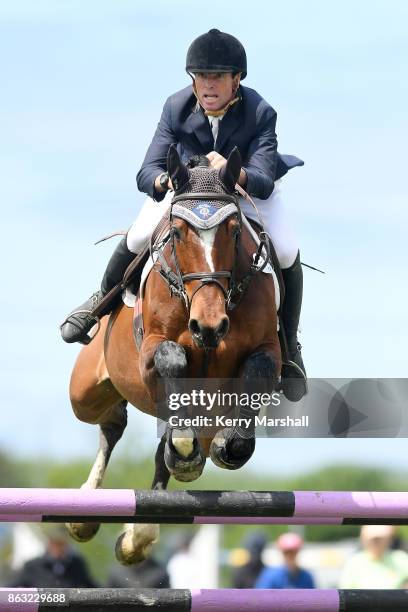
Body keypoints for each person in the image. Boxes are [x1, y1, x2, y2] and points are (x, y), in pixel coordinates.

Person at [60, 28, 306, 381]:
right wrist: (165, 181)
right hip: (190, 191)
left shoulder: (260, 112)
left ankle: (290, 344)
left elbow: (264, 178)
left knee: (285, 249)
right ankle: (99, 300)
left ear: (236, 80)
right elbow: (147, 170)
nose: (208, 85)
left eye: (218, 76)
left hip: (246, 190)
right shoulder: (176, 107)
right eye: (201, 76)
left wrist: (237, 176)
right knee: (139, 235)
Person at [9, 525, 97, 588]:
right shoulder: (33, 566)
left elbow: (91, 586)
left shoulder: (77, 565)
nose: (60, 547)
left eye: (62, 543)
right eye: (57, 543)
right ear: (50, 542)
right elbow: (13, 587)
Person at [339, 524, 408, 589]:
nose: (376, 543)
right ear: (364, 539)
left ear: (389, 539)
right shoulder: (354, 562)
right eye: (373, 539)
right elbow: (346, 591)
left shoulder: (400, 558)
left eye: (380, 539)